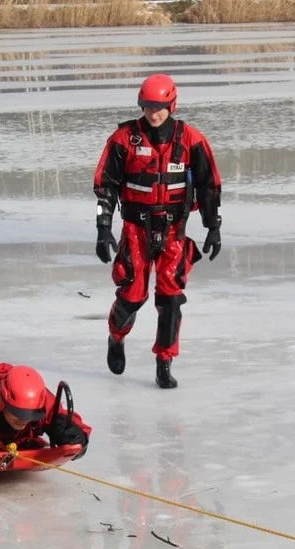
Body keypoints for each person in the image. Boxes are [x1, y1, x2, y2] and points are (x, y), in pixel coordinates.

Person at [93, 73, 223, 389]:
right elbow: (106, 186)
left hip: (174, 232)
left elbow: (209, 186)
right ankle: (116, 336)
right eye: (148, 106)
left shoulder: (190, 139)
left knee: (171, 299)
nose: (154, 113)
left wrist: (213, 227)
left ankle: (164, 362)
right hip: (136, 229)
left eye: (160, 107)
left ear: (172, 104)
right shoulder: (124, 139)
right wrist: (103, 227)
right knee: (132, 295)